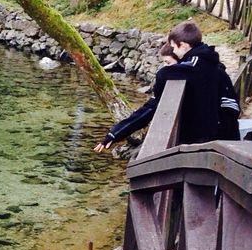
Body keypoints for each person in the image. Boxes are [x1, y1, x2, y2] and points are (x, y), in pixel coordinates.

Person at [94, 20, 242, 153]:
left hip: (211, 142)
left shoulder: (199, 66)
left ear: (183, 45)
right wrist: (116, 133)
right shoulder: (212, 65)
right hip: (221, 139)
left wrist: (160, 86)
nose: (175, 52)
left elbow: (163, 78)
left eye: (174, 48)